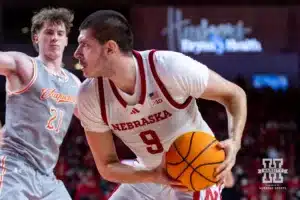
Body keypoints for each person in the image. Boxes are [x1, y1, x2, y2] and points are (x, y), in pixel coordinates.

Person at [75, 10, 247, 200]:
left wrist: (234, 141)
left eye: (85, 45)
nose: (76, 53)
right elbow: (107, 166)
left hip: (197, 169)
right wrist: (154, 175)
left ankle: (222, 181)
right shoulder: (89, 96)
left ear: (110, 48)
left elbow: (234, 95)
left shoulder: (168, 68)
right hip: (149, 173)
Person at [0, 7, 80, 199]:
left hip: (47, 176)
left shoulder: (74, 83)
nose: (55, 38)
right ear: (36, 38)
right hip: (15, 168)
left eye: (60, 33)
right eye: (49, 32)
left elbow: (97, 120)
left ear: (67, 40)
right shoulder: (26, 65)